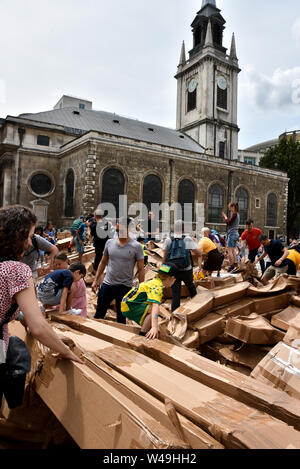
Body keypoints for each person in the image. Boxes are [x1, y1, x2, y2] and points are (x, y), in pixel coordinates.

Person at [0, 206, 83, 409]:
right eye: (28, 236)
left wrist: (19, 317)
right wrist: (64, 350)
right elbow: (38, 327)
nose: (30, 243)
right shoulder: (17, 270)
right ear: (16, 237)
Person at [92, 217, 145, 324]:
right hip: (107, 285)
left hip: (124, 287)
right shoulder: (109, 243)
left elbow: (141, 269)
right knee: (99, 314)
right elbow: (103, 262)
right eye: (117, 230)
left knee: (121, 319)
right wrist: (96, 279)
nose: (118, 232)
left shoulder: (137, 247)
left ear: (129, 229)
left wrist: (141, 287)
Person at [121, 263, 177, 339]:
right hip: (129, 306)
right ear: (172, 278)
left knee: (152, 312)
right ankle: (143, 334)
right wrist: (154, 327)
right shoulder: (157, 287)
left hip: (127, 303)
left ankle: (146, 329)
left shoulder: (155, 281)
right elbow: (155, 306)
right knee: (153, 311)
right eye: (174, 280)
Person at [162, 220, 200, 312]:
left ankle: (175, 314)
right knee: (191, 287)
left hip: (173, 271)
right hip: (186, 269)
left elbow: (164, 258)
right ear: (183, 229)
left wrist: (164, 272)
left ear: (174, 228)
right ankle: (197, 309)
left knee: (176, 294)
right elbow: (199, 253)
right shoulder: (187, 239)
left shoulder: (168, 240)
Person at [53, 253, 87, 317]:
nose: (57, 266)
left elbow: (66, 293)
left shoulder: (72, 277)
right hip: (76, 302)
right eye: (55, 264)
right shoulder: (70, 272)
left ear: (66, 261)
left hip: (77, 302)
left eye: (59, 264)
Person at [89, 210, 114, 274]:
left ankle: (96, 271)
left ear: (94, 216)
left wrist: (89, 226)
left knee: (98, 258)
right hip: (107, 243)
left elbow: (91, 234)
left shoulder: (93, 225)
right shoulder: (107, 223)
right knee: (107, 257)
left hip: (98, 244)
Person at [222, 203, 240, 271]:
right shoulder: (237, 214)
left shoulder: (234, 214)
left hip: (232, 234)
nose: (229, 208)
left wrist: (225, 217)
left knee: (229, 250)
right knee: (233, 250)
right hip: (235, 233)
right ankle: (235, 264)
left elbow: (229, 223)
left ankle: (232, 265)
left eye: (229, 207)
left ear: (233, 207)